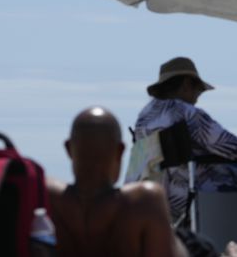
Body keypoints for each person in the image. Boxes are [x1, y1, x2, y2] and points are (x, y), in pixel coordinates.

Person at [47, 106, 187, 257]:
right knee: (194, 243)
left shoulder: (45, 197)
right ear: (120, 150)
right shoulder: (144, 201)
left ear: (68, 148)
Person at [127, 57, 237, 222]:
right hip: (195, 202)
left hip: (155, 202)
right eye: (198, 90)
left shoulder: (143, 118)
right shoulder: (186, 113)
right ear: (187, 84)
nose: (197, 97)